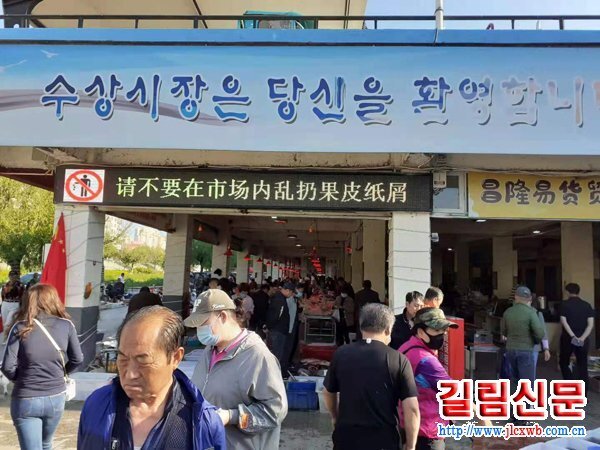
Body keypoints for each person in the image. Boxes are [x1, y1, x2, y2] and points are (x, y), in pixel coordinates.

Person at [78, 305, 226, 450]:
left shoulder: (202, 425)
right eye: (123, 358)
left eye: (143, 361)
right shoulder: (96, 405)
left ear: (175, 358)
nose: (130, 374)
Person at [186, 289, 287, 449]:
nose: (199, 329)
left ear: (223, 317)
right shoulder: (210, 350)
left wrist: (231, 416)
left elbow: (274, 412)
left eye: (202, 323)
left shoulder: (257, 356)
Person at [323, 303, 420, 450]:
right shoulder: (399, 360)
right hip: (384, 440)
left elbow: (328, 391)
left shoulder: (341, 354)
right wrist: (411, 446)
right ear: (388, 329)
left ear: (361, 327)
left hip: (347, 438)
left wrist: (335, 417)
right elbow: (412, 408)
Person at [2, 284, 84, 450]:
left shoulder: (20, 327)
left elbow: (7, 366)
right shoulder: (66, 325)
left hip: (26, 397)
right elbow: (77, 359)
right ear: (54, 300)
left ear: (28, 302)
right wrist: (61, 373)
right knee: (46, 444)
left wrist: (22, 379)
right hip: (56, 396)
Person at [399, 307, 480, 450]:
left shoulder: (406, 347)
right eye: (436, 330)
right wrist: (481, 415)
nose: (441, 335)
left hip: (407, 424)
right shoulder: (426, 360)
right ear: (420, 332)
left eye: (444, 330)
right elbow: (453, 391)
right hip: (427, 431)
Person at [501, 286, 545, 395]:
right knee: (527, 383)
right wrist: (535, 341)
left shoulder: (508, 312)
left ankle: (514, 402)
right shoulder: (531, 312)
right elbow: (540, 332)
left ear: (516, 297)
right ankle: (524, 404)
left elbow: (504, 331)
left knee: (515, 379)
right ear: (529, 298)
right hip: (526, 349)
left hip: (511, 350)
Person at [559, 282, 595, 392]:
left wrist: (573, 336)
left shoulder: (564, 304)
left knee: (564, 363)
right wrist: (582, 338)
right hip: (583, 340)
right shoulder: (587, 305)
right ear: (578, 292)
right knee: (582, 365)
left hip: (567, 339)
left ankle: (570, 386)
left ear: (567, 292)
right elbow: (590, 324)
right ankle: (583, 394)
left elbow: (564, 321)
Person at [266, 280, 291, 376]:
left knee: (277, 354)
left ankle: (274, 374)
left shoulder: (279, 298)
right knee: (277, 354)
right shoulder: (280, 300)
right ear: (287, 290)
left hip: (277, 330)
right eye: (291, 292)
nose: (291, 295)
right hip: (278, 331)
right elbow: (276, 316)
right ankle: (273, 375)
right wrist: (270, 327)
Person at [2, 270, 25, 339]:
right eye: (11, 275)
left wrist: (23, 306)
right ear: (9, 276)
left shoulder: (21, 285)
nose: (12, 277)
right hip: (5, 304)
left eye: (14, 275)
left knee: (8, 323)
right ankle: (9, 336)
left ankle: (6, 338)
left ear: (17, 276)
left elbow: (23, 296)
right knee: (5, 322)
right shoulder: (5, 284)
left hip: (15, 304)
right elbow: (2, 295)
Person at [531, 297, 551, 375]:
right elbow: (543, 332)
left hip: (518, 347)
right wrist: (546, 348)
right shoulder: (537, 313)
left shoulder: (515, 313)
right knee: (531, 372)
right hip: (533, 347)